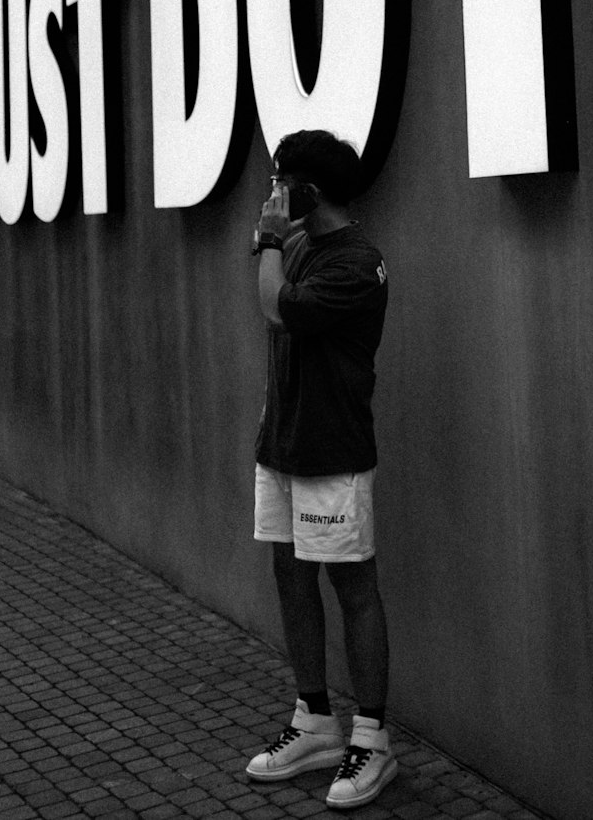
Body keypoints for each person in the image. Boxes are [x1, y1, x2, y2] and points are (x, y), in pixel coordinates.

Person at [245, 129, 397, 810]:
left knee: (353, 585)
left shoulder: (357, 263)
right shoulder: (301, 245)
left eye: (282, 184)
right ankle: (314, 720)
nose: (273, 196)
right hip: (282, 446)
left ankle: (372, 737)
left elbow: (276, 305)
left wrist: (269, 240)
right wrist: (277, 244)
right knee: (290, 574)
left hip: (333, 452)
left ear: (309, 190)